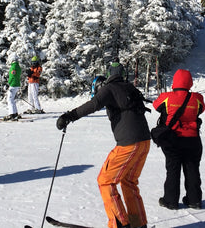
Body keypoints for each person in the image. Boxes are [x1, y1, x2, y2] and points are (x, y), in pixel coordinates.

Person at [56, 68, 151, 228]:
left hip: (129, 144)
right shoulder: (128, 87)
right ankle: (138, 224)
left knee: (105, 181)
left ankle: (120, 223)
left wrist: (69, 116)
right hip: (144, 142)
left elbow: (94, 104)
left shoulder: (109, 88)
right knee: (128, 181)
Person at [152, 69, 205, 211]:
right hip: (193, 140)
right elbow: (201, 110)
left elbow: (156, 106)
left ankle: (170, 201)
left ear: (174, 82)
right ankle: (194, 201)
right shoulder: (197, 98)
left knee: (173, 170)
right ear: (190, 82)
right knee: (192, 169)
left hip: (172, 140)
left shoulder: (166, 97)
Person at [4, 56, 21, 121]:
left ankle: (12, 114)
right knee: (12, 99)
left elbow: (12, 76)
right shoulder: (18, 67)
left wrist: (8, 83)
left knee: (9, 99)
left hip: (13, 84)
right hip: (16, 84)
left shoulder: (13, 67)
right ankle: (15, 113)